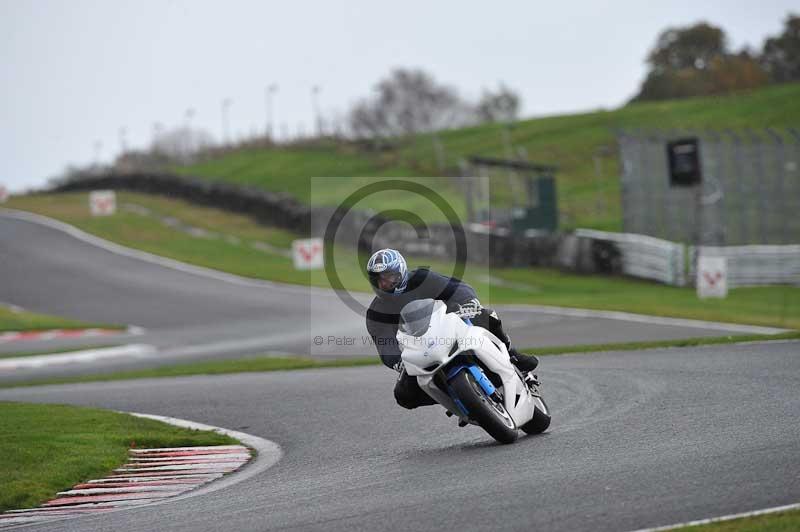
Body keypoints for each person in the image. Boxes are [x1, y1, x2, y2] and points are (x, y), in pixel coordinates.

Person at [364, 248, 539, 410]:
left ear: (400, 271)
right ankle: (455, 398)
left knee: (486, 316)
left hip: (449, 328)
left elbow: (456, 288)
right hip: (419, 353)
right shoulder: (375, 312)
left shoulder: (421, 278)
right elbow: (384, 344)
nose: (385, 283)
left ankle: (513, 354)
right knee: (403, 396)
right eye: (379, 280)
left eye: (389, 276)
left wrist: (468, 303)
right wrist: (397, 361)